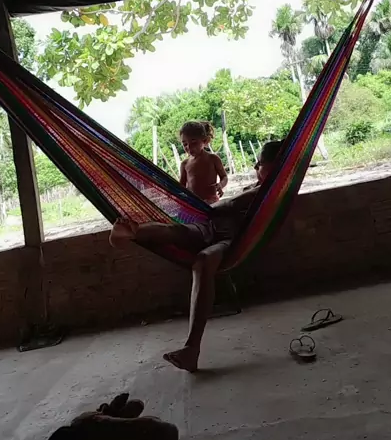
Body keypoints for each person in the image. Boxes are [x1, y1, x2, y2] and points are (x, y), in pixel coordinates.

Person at [110, 139, 283, 372]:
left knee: (202, 261)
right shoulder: (261, 186)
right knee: (176, 231)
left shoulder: (271, 190)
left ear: (274, 166)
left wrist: (211, 208)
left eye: (259, 163)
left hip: (230, 240)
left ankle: (191, 349)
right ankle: (132, 233)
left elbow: (233, 204)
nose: (255, 167)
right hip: (210, 228)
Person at [179, 121, 228, 205]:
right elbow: (181, 186)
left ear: (205, 140)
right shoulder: (184, 164)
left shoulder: (213, 159)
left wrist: (220, 185)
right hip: (193, 204)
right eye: (185, 144)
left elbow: (224, 177)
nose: (189, 147)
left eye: (194, 142)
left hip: (211, 203)